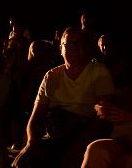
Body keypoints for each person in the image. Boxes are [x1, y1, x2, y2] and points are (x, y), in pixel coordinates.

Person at [11, 27, 115, 168]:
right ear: (61, 48)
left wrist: (78, 145)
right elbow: (37, 116)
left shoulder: (98, 72)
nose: (72, 48)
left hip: (85, 133)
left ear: (85, 47)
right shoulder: (51, 76)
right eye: (68, 44)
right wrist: (30, 144)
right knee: (24, 161)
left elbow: (103, 117)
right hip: (57, 131)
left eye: (77, 43)